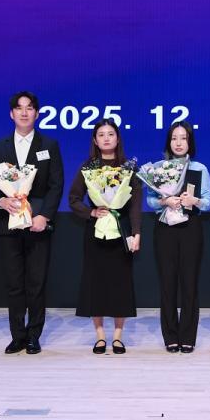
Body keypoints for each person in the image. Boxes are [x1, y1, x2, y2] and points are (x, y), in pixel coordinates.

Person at [0, 91, 64, 355]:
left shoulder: (49, 144)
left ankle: (33, 335)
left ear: (37, 113)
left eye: (29, 108)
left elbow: (56, 185)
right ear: (12, 114)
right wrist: (1, 201)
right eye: (19, 108)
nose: (24, 112)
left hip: (38, 223)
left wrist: (44, 215)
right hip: (8, 223)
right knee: (14, 283)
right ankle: (17, 335)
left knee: (36, 283)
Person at [69, 119, 142, 354]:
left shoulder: (128, 167)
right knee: (96, 282)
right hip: (96, 231)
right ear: (95, 140)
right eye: (101, 134)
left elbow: (135, 204)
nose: (106, 138)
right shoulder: (89, 167)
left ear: (118, 138)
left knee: (121, 283)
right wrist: (90, 212)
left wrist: (136, 232)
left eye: (111, 134)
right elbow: (73, 198)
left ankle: (118, 336)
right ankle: (100, 335)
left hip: (122, 230)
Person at [146, 122, 210, 353]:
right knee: (167, 283)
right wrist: (164, 201)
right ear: (169, 142)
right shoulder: (159, 168)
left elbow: (208, 202)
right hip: (165, 228)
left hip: (191, 227)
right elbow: (150, 200)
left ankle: (188, 336)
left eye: (183, 138)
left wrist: (195, 201)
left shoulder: (199, 168)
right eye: (174, 138)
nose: (179, 142)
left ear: (190, 142)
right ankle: (171, 336)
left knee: (190, 283)